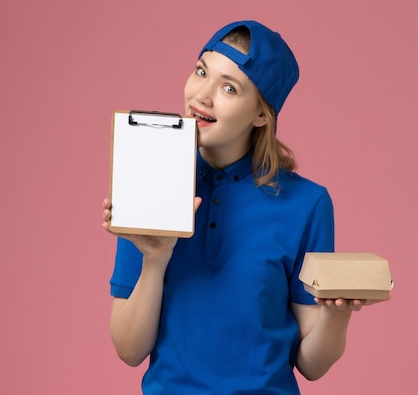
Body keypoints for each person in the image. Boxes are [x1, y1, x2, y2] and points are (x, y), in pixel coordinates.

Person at [102, 20, 384, 394]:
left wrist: (337, 311)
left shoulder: (307, 204)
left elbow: (311, 366)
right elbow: (129, 349)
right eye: (201, 71)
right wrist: (155, 259)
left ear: (261, 114)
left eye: (229, 88)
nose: (202, 95)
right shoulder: (147, 182)